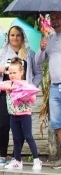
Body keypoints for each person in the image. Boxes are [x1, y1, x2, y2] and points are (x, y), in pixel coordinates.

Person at [0, 25, 41, 167]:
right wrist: (0, 70)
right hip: (5, 96)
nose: (15, 38)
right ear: (8, 37)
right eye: (12, 35)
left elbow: (38, 73)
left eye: (18, 35)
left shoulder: (29, 54)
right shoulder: (1, 53)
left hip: (22, 98)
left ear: (22, 37)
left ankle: (16, 158)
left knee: (21, 128)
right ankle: (3, 155)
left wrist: (31, 88)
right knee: (4, 125)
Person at [0, 58, 41, 171]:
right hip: (13, 116)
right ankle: (17, 161)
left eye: (15, 73)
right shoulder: (8, 83)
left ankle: (37, 160)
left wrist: (22, 94)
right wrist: (8, 87)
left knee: (28, 136)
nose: (12, 75)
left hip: (25, 115)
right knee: (16, 139)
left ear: (21, 72)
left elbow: (33, 98)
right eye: (10, 73)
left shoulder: (25, 85)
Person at [36, 11, 61, 153]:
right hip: (54, 87)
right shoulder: (49, 39)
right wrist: (42, 48)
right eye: (53, 18)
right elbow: (38, 61)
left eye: (58, 17)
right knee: (57, 123)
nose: (55, 20)